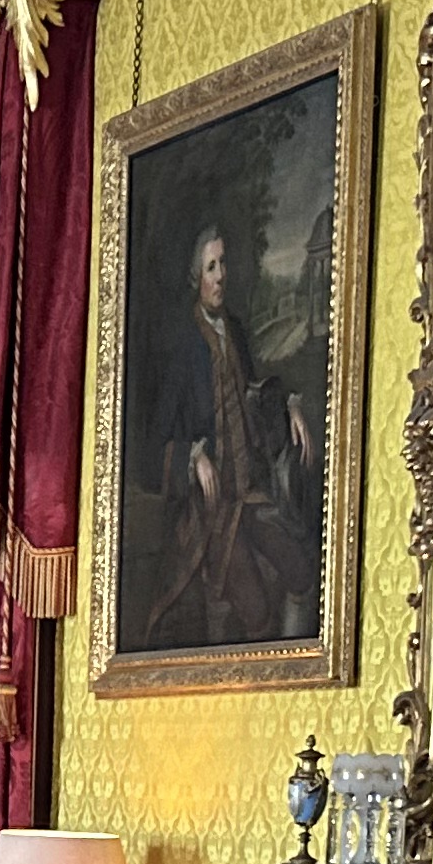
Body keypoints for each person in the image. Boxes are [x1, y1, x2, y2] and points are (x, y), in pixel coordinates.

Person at [137, 226, 314, 648]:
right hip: (209, 513)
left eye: (223, 264)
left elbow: (252, 394)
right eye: (211, 267)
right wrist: (192, 457)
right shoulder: (183, 347)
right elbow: (149, 451)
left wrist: (290, 406)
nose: (221, 276)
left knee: (304, 574)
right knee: (257, 611)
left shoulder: (234, 331)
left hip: (250, 497)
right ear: (195, 277)